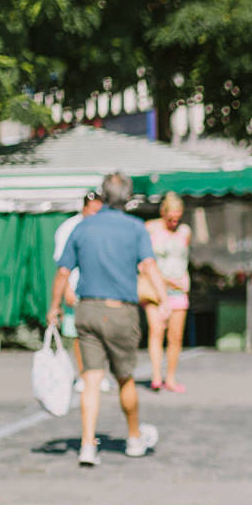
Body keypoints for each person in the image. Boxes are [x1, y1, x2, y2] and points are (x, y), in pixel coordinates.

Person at [46, 173, 169, 467]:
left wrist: (54, 307)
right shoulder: (135, 229)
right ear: (127, 197)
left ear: (102, 194)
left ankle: (88, 445)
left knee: (91, 379)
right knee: (125, 378)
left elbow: (63, 272)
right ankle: (134, 437)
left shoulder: (82, 227)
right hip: (120, 311)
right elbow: (149, 266)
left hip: (86, 310)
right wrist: (164, 300)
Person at [52, 189, 105, 389]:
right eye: (93, 210)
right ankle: (84, 374)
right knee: (78, 334)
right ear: (84, 208)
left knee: (99, 333)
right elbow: (62, 266)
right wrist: (66, 290)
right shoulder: (69, 228)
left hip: (98, 289)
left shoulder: (102, 227)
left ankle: (98, 373)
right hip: (76, 288)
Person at [145, 192, 193, 392]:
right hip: (156, 289)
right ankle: (156, 376)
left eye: (177, 218)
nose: (174, 222)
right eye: (170, 218)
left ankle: (170, 378)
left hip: (179, 290)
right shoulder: (150, 228)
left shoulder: (185, 231)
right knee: (156, 331)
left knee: (175, 336)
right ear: (163, 213)